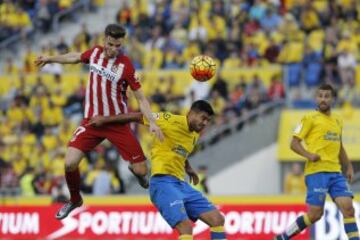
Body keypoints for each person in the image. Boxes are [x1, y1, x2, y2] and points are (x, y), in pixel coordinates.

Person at [35, 23, 164, 220]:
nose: (113, 49)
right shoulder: (94, 53)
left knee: (141, 170)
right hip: (92, 122)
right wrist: (50, 59)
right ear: (104, 40)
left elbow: (141, 98)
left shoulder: (126, 65)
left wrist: (153, 122)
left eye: (118, 46)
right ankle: (75, 199)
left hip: (116, 124)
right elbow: (75, 57)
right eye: (111, 44)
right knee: (69, 163)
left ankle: (135, 170)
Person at [87, 100, 226, 240]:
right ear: (191, 113)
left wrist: (189, 169)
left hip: (181, 184)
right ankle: (141, 175)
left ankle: (141, 177)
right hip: (162, 183)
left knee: (217, 219)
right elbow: (138, 116)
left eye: (208, 120)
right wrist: (105, 120)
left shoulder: (195, 134)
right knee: (186, 228)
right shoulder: (169, 120)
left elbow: (180, 151)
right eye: (203, 118)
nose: (205, 123)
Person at [275, 84, 359, 240]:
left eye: (327, 96)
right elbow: (294, 143)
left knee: (348, 209)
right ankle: (283, 237)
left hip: (335, 172)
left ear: (332, 99)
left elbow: (339, 145)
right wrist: (309, 155)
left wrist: (348, 166)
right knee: (315, 215)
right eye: (320, 96)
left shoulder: (338, 121)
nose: (323, 99)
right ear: (316, 98)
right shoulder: (309, 119)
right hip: (316, 172)